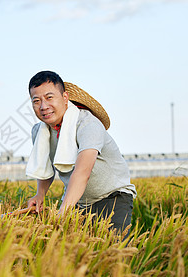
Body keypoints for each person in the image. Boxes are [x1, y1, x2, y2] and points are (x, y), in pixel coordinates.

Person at [26, 70, 136, 236]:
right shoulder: (40, 132)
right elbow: (45, 166)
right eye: (36, 101)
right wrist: (40, 194)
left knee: (112, 253)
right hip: (78, 200)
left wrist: (63, 211)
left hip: (112, 197)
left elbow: (82, 171)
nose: (43, 106)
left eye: (49, 98)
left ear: (65, 98)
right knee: (70, 252)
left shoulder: (88, 124)